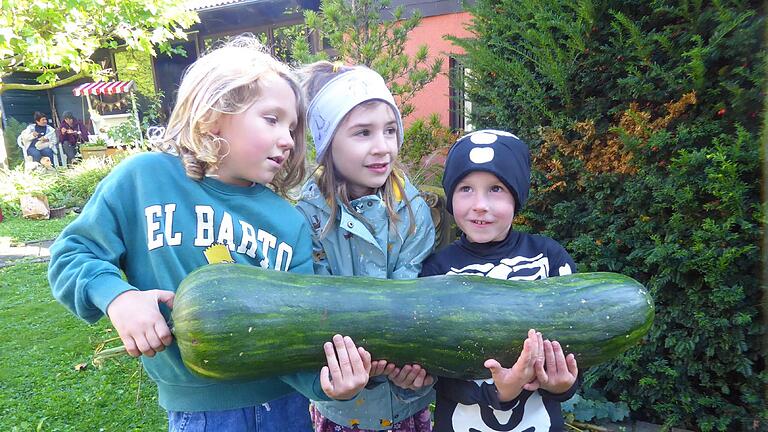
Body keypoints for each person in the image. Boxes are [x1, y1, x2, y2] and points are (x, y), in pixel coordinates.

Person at [48, 36, 373, 432]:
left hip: (286, 411)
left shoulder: (289, 224)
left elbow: (306, 327)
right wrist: (117, 297)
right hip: (201, 416)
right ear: (212, 115)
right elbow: (73, 253)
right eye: (272, 119)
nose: (288, 139)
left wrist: (328, 385)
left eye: (292, 127)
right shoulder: (144, 180)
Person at [295, 61, 437, 432]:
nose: (382, 147)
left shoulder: (413, 210)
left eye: (390, 130)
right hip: (341, 408)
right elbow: (316, 308)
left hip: (407, 403)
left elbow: (412, 301)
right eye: (362, 133)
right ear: (327, 144)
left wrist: (410, 365)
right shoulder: (307, 218)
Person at [419, 130, 580, 431]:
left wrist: (562, 385)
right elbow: (438, 371)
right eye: (466, 188)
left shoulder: (549, 258)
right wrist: (498, 393)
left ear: (517, 196)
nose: (480, 204)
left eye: (495, 189)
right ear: (451, 196)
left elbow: (579, 346)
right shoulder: (437, 272)